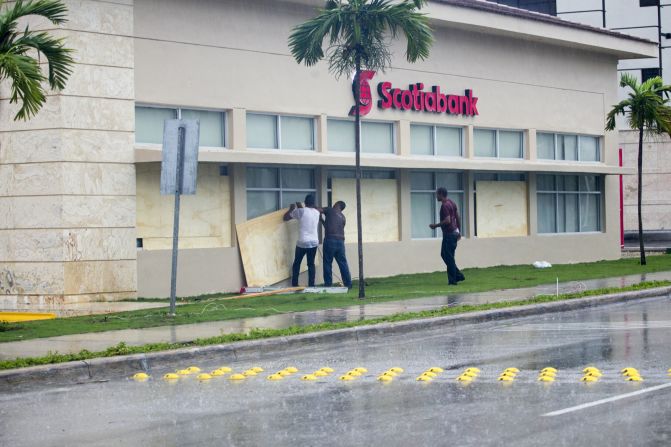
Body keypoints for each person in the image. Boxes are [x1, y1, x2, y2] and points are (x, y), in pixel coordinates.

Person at [430, 187, 465, 285]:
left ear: (441, 194)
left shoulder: (445, 205)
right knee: (447, 256)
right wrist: (459, 231)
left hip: (449, 235)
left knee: (448, 256)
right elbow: (457, 217)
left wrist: (435, 226)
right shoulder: (452, 202)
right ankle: (458, 275)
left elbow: (448, 220)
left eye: (437, 194)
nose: (436, 196)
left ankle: (453, 280)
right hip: (454, 233)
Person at [284, 193, 320, 287]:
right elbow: (304, 213)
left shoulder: (301, 211)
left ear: (305, 202)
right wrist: (300, 206)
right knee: (311, 264)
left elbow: (286, 218)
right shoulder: (317, 212)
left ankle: (295, 284)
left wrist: (291, 209)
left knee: (297, 263)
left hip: (302, 242)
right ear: (313, 203)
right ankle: (311, 285)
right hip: (314, 242)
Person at [321, 201, 352, 289]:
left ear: (337, 205)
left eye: (335, 203)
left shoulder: (330, 210)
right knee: (343, 264)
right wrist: (322, 220)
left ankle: (328, 285)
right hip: (340, 242)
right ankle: (348, 284)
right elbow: (331, 227)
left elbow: (317, 210)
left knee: (327, 263)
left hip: (330, 240)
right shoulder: (343, 217)